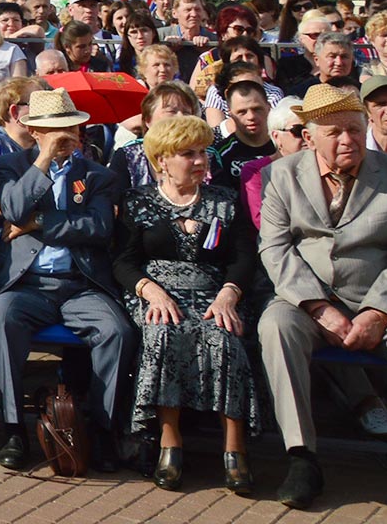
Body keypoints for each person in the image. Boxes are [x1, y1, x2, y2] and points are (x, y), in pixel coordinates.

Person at [258, 82, 387, 509]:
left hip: (385, 302)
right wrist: (318, 307)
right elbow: (275, 249)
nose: (347, 140)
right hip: (309, 301)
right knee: (275, 326)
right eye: (334, 132)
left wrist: (378, 312)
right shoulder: (281, 176)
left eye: (355, 129)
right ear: (309, 137)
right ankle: (302, 457)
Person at [0, 88, 136, 472]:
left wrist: (39, 222)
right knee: (1, 322)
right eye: (54, 129)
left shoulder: (98, 175)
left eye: (71, 127)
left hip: (80, 283)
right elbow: (13, 208)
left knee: (117, 331)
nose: (65, 135)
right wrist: (44, 160)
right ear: (34, 130)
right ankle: (13, 430)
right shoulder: (11, 165)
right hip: (27, 283)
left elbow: (99, 227)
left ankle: (102, 430)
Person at [113, 114, 259, 493]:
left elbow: (243, 257)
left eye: (202, 152)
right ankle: (170, 442)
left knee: (224, 336)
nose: (199, 161)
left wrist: (229, 293)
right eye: (187, 154)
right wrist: (150, 290)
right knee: (162, 332)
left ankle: (235, 450)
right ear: (162, 159)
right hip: (157, 292)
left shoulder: (225, 201)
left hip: (214, 292)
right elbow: (123, 261)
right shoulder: (138, 201)